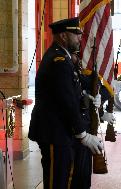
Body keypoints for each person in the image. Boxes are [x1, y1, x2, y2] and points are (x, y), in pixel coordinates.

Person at [28, 17, 103, 189]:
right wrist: (82, 134)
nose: (79, 38)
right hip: (55, 132)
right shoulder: (58, 61)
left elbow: (77, 92)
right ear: (63, 36)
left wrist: (93, 97)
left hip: (61, 131)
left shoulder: (64, 58)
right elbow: (67, 101)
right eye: (76, 34)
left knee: (66, 179)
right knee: (58, 182)